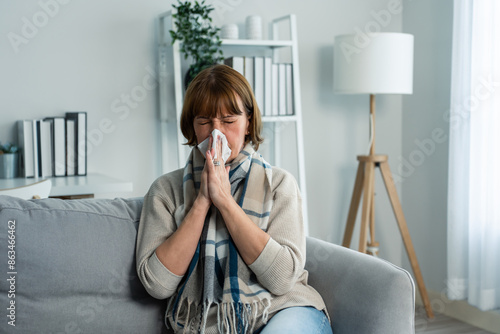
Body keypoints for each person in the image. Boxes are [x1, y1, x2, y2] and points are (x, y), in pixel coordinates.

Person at [136, 64, 331, 334]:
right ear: (192, 127)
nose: (217, 133)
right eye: (204, 121)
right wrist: (203, 201)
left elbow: (283, 278)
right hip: (209, 322)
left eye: (228, 121)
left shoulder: (279, 184)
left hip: (284, 309)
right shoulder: (165, 191)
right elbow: (157, 284)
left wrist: (225, 202)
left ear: (248, 123)